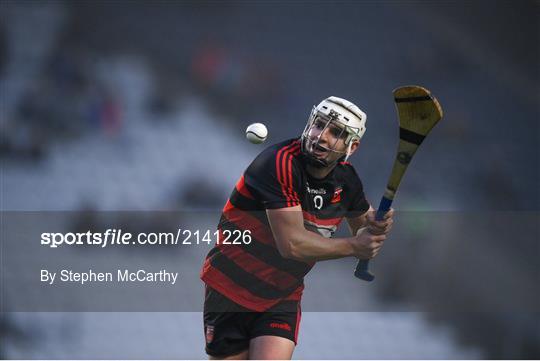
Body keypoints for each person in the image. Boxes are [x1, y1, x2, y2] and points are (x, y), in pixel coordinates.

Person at [200, 96, 394, 359]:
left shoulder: (347, 181)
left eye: (336, 133)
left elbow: (365, 235)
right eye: (319, 125)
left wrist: (377, 226)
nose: (322, 137)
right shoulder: (278, 163)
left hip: (281, 296)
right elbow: (291, 244)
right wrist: (354, 246)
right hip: (230, 287)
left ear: (353, 146)